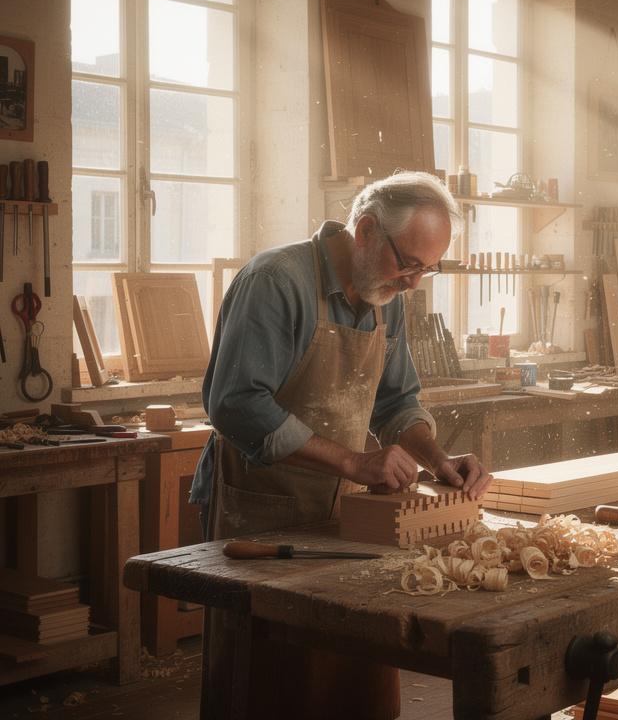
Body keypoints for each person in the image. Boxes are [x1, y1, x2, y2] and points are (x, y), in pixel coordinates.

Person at [188, 170, 493, 717]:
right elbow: (235, 403)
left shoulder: (387, 294)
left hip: (347, 518)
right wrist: (355, 461)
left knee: (354, 674)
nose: (413, 284)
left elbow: (397, 402)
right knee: (267, 682)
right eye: (409, 264)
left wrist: (439, 459)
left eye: (428, 270)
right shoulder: (277, 281)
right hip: (263, 511)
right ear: (367, 230)